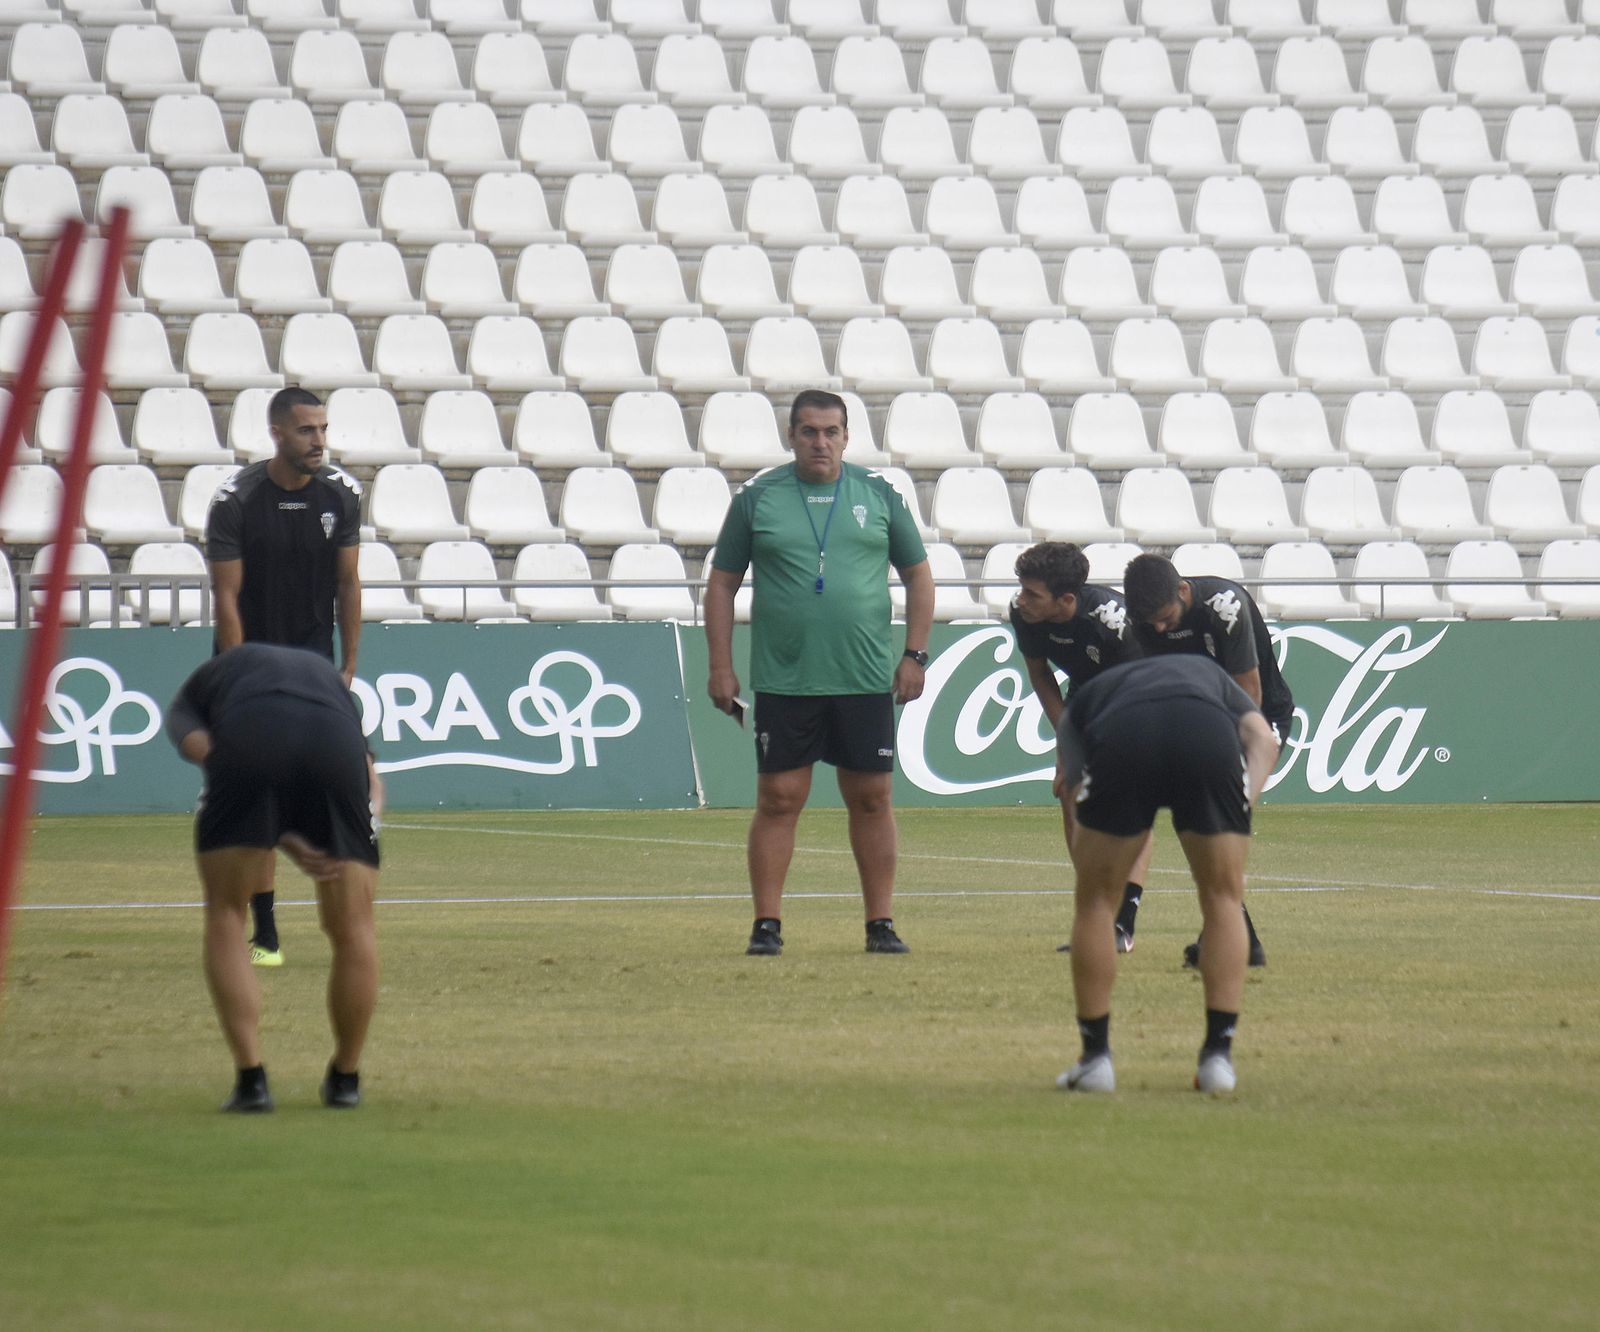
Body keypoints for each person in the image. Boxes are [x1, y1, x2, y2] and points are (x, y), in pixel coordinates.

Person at [705, 389, 934, 956]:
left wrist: (915, 654)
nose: (821, 442)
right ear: (792, 436)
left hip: (863, 678)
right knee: (779, 798)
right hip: (786, 678)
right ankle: (767, 925)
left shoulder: (879, 496)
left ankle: (880, 923)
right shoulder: (758, 499)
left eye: (832, 432)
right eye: (809, 431)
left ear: (847, 437)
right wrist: (720, 666)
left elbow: (920, 577)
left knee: (873, 797)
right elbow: (721, 584)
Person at [166, 642, 382, 1113]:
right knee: (354, 926)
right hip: (336, 743)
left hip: (251, 733)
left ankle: (251, 1081)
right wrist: (351, 834)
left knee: (225, 912)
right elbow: (370, 783)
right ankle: (345, 1079)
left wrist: (276, 832)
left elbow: (215, 756)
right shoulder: (332, 686)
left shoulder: (200, 689)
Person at [1054, 655, 1279, 1095]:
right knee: (1223, 900)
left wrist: (1096, 862)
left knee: (1097, 903)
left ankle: (1095, 1060)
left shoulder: (1085, 700)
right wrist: (1241, 805)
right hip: (1206, 735)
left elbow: (1076, 792)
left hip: (1124, 736)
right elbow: (1265, 743)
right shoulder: (1210, 672)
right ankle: (1218, 1058)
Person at [205, 387, 363, 967]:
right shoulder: (236, 500)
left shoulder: (341, 496)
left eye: (323, 428)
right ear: (276, 433)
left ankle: (346, 917)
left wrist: (348, 664)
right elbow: (226, 596)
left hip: (316, 663)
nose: (319, 440)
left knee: (345, 785)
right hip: (252, 663)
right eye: (306, 431)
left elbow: (349, 581)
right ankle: (265, 931)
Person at [1122, 552, 1291, 969]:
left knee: (1216, 825)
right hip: (1199, 720)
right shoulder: (1142, 619)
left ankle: (1236, 939)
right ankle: (1238, 938)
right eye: (1152, 624)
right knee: (1204, 829)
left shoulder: (1225, 608)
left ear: (1183, 591)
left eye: (1166, 618)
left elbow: (1249, 695)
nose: (1159, 629)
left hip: (1258, 724)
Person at [1007, 542, 1148, 953]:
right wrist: (1069, 741)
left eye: (1033, 593)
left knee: (1130, 806)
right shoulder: (1024, 614)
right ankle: (1097, 911)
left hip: (1142, 694)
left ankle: (1123, 921)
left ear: (1067, 600)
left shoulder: (1114, 621)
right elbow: (1040, 675)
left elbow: (1142, 687)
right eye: (1022, 589)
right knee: (1071, 794)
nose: (1021, 600)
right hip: (1086, 697)